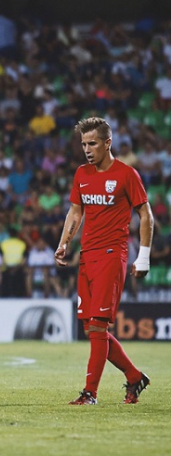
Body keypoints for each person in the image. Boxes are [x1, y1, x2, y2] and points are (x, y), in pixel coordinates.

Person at [54, 117, 153, 405]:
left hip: (112, 255)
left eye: (92, 143)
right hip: (87, 257)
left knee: (98, 327)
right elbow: (75, 213)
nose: (87, 149)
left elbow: (145, 215)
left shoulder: (126, 174)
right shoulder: (82, 174)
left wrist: (143, 257)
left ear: (107, 143)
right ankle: (135, 377)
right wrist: (64, 243)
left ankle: (90, 393)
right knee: (91, 329)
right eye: (84, 144)